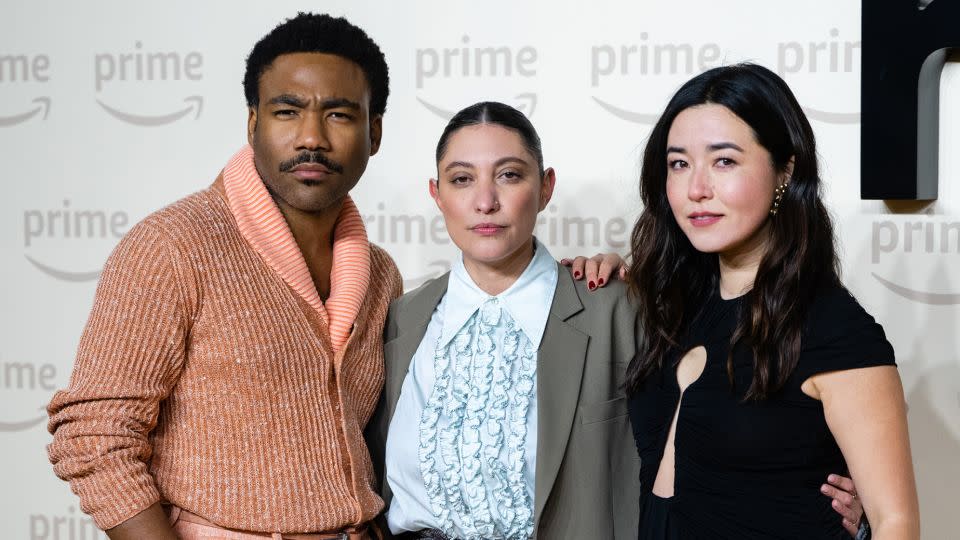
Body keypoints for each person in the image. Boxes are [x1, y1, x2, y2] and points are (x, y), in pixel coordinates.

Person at [46, 13, 401, 540]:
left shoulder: (379, 271)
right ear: (253, 123)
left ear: (373, 133)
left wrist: (551, 277)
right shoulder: (174, 245)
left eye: (339, 115)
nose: (312, 137)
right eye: (287, 111)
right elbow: (95, 437)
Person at [621, 63, 919, 539]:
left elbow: (895, 523)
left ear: (785, 169)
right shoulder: (675, 309)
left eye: (724, 161)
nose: (696, 189)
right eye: (679, 164)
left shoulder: (832, 327)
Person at [365, 102, 641, 540]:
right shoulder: (401, 317)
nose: (485, 202)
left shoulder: (612, 307)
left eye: (509, 175)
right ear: (437, 195)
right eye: (461, 179)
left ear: (546, 188)